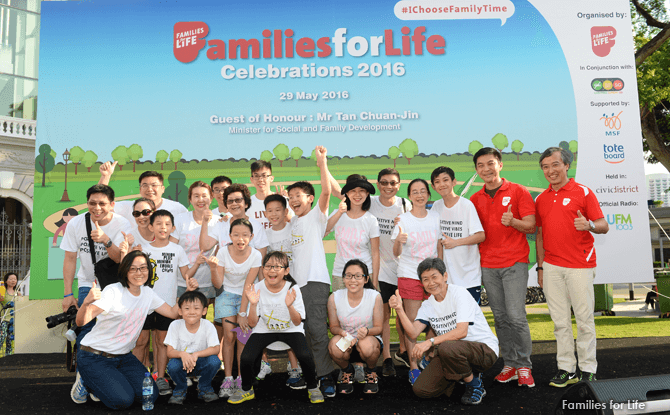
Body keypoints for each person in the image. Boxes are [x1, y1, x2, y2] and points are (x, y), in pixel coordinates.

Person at [72, 250, 198, 409]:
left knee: (150, 395)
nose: (139, 272)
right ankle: (86, 381)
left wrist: (187, 292)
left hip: (123, 357)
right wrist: (86, 303)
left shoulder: (148, 293)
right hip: (95, 356)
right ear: (125, 271)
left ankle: (104, 383)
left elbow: (173, 313)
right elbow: (81, 321)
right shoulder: (113, 291)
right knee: (123, 401)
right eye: (133, 268)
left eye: (143, 268)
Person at [535, 147, 608, 385]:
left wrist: (589, 225)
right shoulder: (541, 198)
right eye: (545, 167)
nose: (550, 171)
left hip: (580, 265)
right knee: (560, 322)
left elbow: (603, 225)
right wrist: (541, 267)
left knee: (584, 319)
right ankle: (566, 369)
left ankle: (588, 368)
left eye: (555, 165)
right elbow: (539, 235)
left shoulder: (583, 192)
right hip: (552, 266)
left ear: (566, 166)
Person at [389, 258, 499, 406]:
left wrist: (430, 342)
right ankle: (460, 375)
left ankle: (474, 384)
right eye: (426, 279)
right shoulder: (427, 305)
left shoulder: (459, 293)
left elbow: (461, 332)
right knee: (421, 389)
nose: (431, 283)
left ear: (445, 276)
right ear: (422, 283)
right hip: (453, 353)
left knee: (446, 347)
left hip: (484, 350)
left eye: (435, 277)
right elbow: (413, 333)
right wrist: (399, 310)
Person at [470, 147, 536, 388]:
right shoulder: (475, 199)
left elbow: (531, 225)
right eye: (480, 166)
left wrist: (514, 221)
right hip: (488, 264)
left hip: (514, 262)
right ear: (476, 170)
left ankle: (525, 366)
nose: (486, 169)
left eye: (490, 163)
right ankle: (510, 363)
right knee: (500, 317)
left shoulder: (518, 191)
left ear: (500, 165)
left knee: (516, 316)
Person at [60, 184, 133, 387]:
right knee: (88, 330)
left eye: (102, 203)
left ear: (112, 205)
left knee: (114, 331)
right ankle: (83, 379)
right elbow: (69, 258)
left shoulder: (122, 224)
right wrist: (68, 293)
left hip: (115, 285)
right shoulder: (76, 223)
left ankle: (107, 375)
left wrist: (106, 240)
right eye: (92, 203)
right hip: (88, 284)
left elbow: (121, 259)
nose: (97, 208)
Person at [229, 251, 324, 404]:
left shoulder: (293, 288)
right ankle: (247, 390)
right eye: (268, 266)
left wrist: (290, 306)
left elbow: (298, 321)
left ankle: (313, 387)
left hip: (290, 329)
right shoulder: (257, 288)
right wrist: (252, 304)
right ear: (263, 269)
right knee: (246, 357)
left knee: (305, 355)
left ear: (286, 271)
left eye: (277, 267)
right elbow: (252, 323)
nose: (272, 270)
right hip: (264, 329)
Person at [287, 145, 338, 397]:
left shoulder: (317, 215)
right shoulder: (294, 221)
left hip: (315, 282)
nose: (293, 199)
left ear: (309, 198)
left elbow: (327, 191)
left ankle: (327, 376)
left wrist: (322, 163)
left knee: (318, 331)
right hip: (297, 286)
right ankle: (313, 376)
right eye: (290, 197)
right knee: (303, 333)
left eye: (298, 195)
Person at [133, 209, 196, 395]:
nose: (163, 227)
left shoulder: (177, 250)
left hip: (166, 305)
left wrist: (190, 282)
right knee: (141, 342)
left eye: (167, 224)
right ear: (150, 226)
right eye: (158, 223)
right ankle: (138, 378)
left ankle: (160, 377)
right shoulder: (142, 249)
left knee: (162, 342)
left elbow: (186, 275)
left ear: (173, 228)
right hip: (142, 304)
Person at [391, 178, 442, 384]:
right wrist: (398, 241)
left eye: (423, 191)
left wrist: (441, 272)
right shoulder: (403, 219)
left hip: (433, 277)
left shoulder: (436, 217)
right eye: (415, 192)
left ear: (428, 195)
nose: (419, 195)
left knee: (435, 321)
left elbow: (439, 247)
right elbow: (396, 253)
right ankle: (413, 367)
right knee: (412, 325)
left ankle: (428, 358)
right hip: (410, 275)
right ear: (409, 196)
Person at [206, 218, 262, 398]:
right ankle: (228, 377)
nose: (241, 239)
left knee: (242, 337)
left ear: (251, 237)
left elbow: (248, 284)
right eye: (236, 234)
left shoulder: (256, 255)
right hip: (226, 294)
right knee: (229, 336)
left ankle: (241, 379)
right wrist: (214, 269)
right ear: (230, 236)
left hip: (246, 295)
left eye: (245, 235)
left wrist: (243, 313)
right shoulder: (222, 252)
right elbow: (218, 284)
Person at [369, 169, 412, 376]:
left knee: (404, 313)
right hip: (382, 269)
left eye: (393, 183)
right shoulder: (370, 203)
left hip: (404, 268)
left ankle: (404, 351)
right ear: (378, 184)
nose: (388, 187)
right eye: (384, 183)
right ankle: (387, 356)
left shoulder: (405, 204)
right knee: (384, 314)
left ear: (399, 184)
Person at [263, 194, 303, 386]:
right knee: (274, 321)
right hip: (274, 287)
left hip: (293, 284)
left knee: (293, 324)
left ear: (286, 212)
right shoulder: (265, 235)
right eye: (269, 211)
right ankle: (264, 365)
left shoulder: (293, 228)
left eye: (278, 210)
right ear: (265, 214)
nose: (274, 214)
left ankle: (295, 368)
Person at [430, 166, 485, 303]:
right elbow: (437, 240)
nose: (442, 184)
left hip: (469, 277)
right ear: (433, 186)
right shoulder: (436, 207)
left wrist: (455, 242)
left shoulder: (466, 205)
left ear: (454, 182)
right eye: (437, 182)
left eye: (445, 180)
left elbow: (480, 236)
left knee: (470, 321)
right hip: (447, 279)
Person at [327, 260, 383, 394]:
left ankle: (371, 371)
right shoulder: (335, 297)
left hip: (368, 341)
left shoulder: (374, 296)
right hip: (347, 343)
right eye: (349, 275)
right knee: (334, 345)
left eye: (358, 276)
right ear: (343, 278)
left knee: (366, 344)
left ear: (366, 279)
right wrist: (344, 334)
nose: (353, 280)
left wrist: (367, 331)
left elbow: (379, 328)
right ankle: (347, 371)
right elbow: (333, 327)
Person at [325, 175, 380, 292]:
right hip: (341, 273)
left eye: (362, 191)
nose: (357, 195)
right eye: (353, 191)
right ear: (347, 194)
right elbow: (324, 230)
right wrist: (339, 212)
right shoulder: (338, 214)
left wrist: (374, 281)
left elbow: (375, 253)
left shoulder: (371, 220)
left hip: (364, 275)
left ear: (367, 194)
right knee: (340, 309)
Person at [165, 290, 221, 404]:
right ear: (179, 311)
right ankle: (180, 389)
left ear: (204, 310)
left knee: (215, 361)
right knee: (172, 365)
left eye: (196, 308)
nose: (191, 312)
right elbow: (169, 352)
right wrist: (182, 354)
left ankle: (204, 388)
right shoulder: (175, 325)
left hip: (200, 362)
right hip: (182, 363)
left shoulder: (208, 325)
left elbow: (216, 349)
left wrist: (196, 354)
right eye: (187, 308)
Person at [200, 183, 269, 261]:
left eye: (238, 200)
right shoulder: (221, 224)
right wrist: (205, 222)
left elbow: (261, 257)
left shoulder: (257, 226)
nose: (234, 204)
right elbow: (205, 247)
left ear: (246, 204)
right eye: (230, 201)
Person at [173, 181, 219, 300]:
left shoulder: (219, 222)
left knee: (201, 315)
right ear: (190, 199)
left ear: (211, 198)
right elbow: (172, 248)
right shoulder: (180, 220)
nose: (200, 200)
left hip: (207, 282)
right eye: (196, 196)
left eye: (204, 196)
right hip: (182, 282)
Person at [98, 164, 188, 223]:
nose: (149, 189)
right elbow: (102, 205)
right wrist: (105, 176)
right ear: (140, 190)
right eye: (145, 185)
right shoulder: (128, 207)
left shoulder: (178, 209)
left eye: (154, 185)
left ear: (163, 189)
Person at [247, 160, 292, 230]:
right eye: (256, 176)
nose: (260, 179)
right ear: (252, 179)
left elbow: (292, 223)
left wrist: (280, 203)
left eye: (264, 176)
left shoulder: (283, 200)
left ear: (271, 178)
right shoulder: (247, 203)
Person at [1, 272, 20, 355]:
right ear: (6, 281)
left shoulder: (18, 293)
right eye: (11, 279)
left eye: (15, 279)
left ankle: (8, 358)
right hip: (4, 319)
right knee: (2, 337)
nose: (13, 281)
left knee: (10, 340)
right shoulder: (2, 292)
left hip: (13, 321)